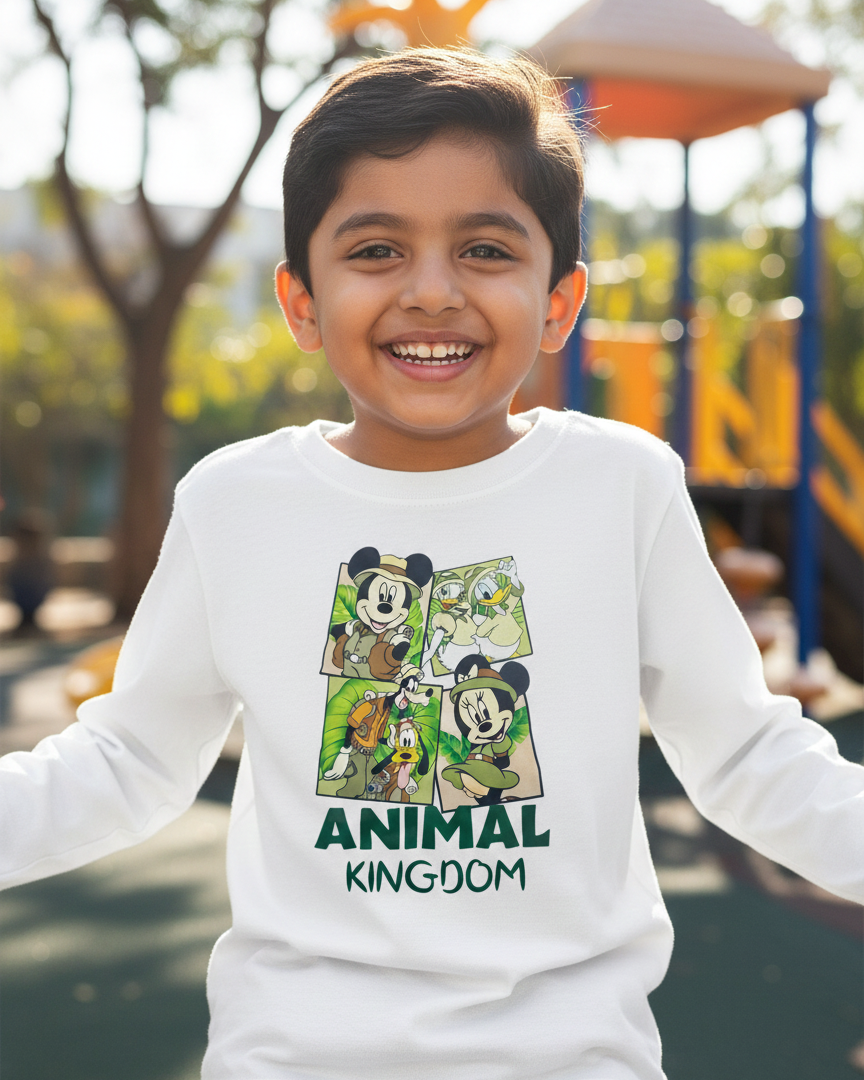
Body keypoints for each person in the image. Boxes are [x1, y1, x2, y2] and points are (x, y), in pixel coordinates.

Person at [1, 48, 862, 1080]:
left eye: (487, 249)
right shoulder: (235, 502)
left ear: (560, 299)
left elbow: (744, 753)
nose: (432, 291)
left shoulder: (621, 485)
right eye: (375, 250)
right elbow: (131, 762)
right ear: (301, 300)